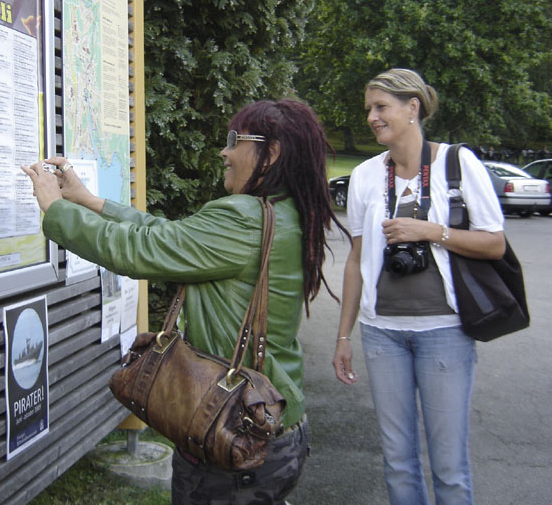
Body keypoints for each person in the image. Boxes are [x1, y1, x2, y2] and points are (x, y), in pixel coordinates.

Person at [22, 98, 346, 505]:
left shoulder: (244, 218)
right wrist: (91, 202)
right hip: (269, 421)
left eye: (235, 140)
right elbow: (168, 235)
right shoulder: (284, 212)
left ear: (272, 152)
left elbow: (137, 250)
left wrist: (55, 209)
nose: (224, 152)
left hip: (232, 430)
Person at [332, 69, 505, 505]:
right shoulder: (365, 175)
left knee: (449, 466)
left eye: (381, 107)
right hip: (381, 333)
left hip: (444, 332)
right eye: (368, 109)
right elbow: (356, 260)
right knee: (397, 461)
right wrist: (343, 336)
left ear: (413, 108)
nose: (371, 117)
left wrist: (431, 231)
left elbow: (495, 243)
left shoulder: (458, 163)